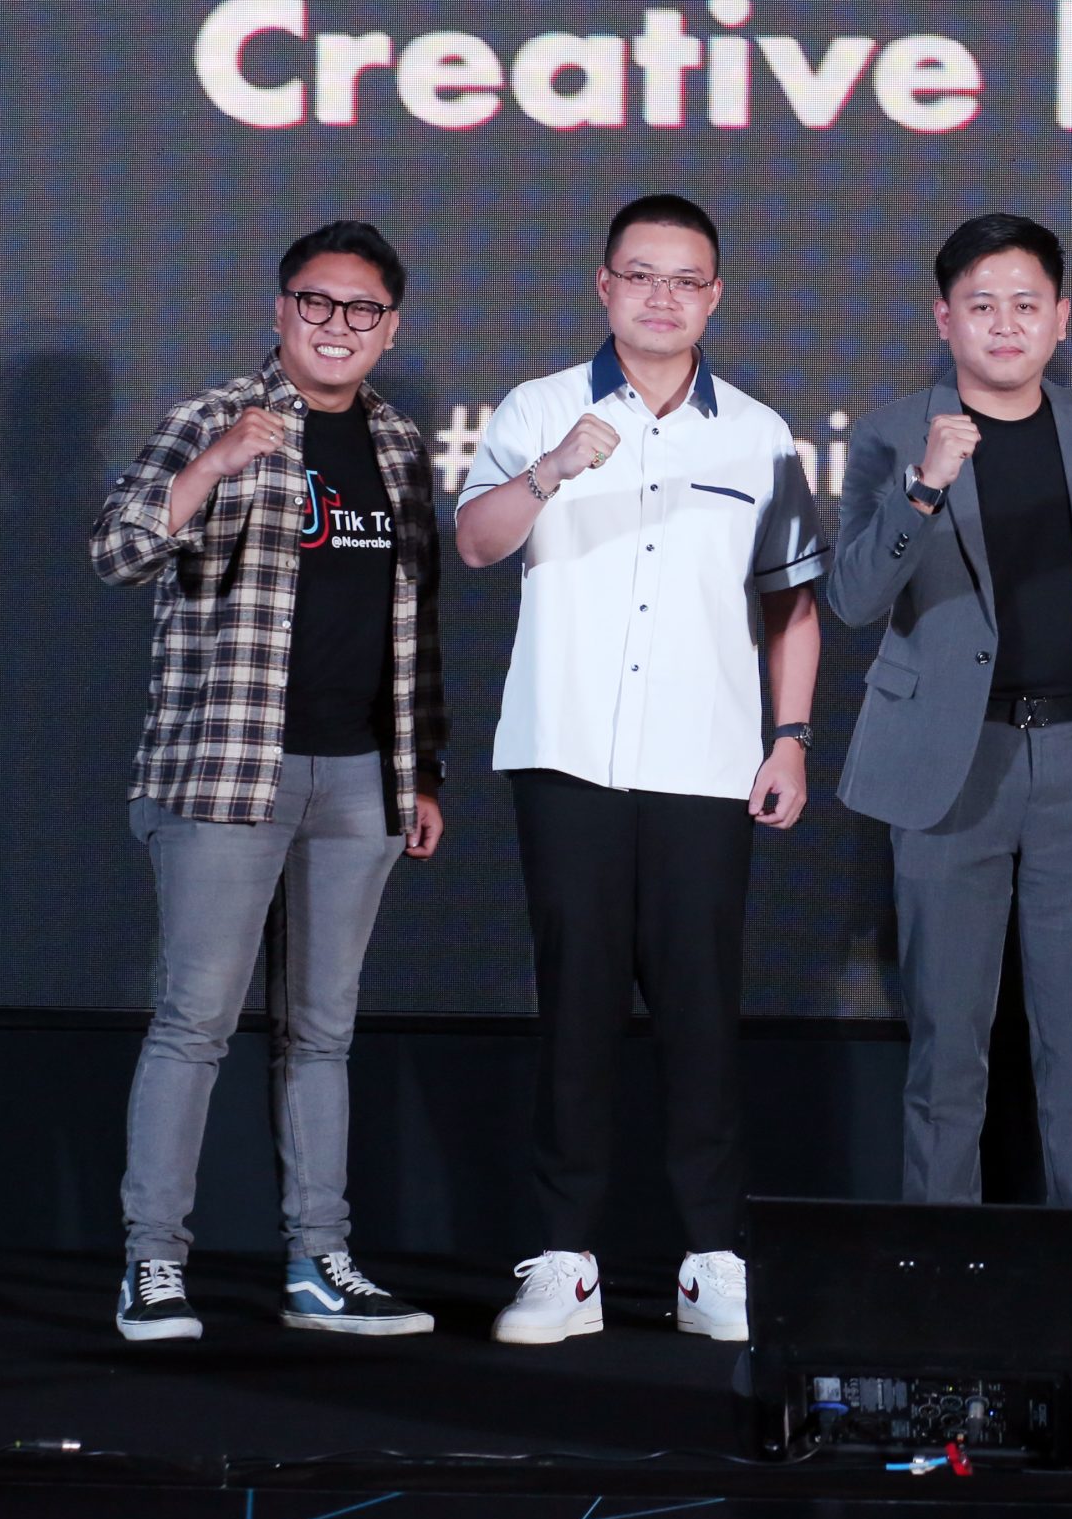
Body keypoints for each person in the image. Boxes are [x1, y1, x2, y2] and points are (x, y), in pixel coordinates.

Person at [455, 192, 826, 1345]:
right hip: (566, 746)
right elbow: (474, 541)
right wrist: (554, 469)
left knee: (702, 1012)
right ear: (603, 286)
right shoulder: (537, 408)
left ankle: (711, 1257)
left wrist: (792, 737)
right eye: (640, 274)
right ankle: (562, 1260)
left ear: (714, 296)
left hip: (707, 759)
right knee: (573, 1004)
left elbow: (795, 602)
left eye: (687, 278)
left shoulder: (759, 433)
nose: (662, 296)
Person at [91, 219, 446, 1342]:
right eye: (315, 303)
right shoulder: (212, 417)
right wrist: (212, 466)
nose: (336, 326)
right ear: (280, 310)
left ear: (389, 326)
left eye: (361, 310)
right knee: (195, 1022)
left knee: (323, 1032)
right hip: (224, 774)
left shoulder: (396, 445)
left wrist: (419, 768)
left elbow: (415, 623)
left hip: (360, 781)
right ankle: (153, 1267)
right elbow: (116, 551)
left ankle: (319, 1262)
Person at [831, 214, 1072, 1233]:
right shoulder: (894, 431)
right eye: (982, 305)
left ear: (1060, 319)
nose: (1005, 323)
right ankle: (943, 1261)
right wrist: (926, 486)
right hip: (952, 763)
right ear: (945, 318)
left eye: (1027, 304)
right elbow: (853, 596)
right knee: (948, 1040)